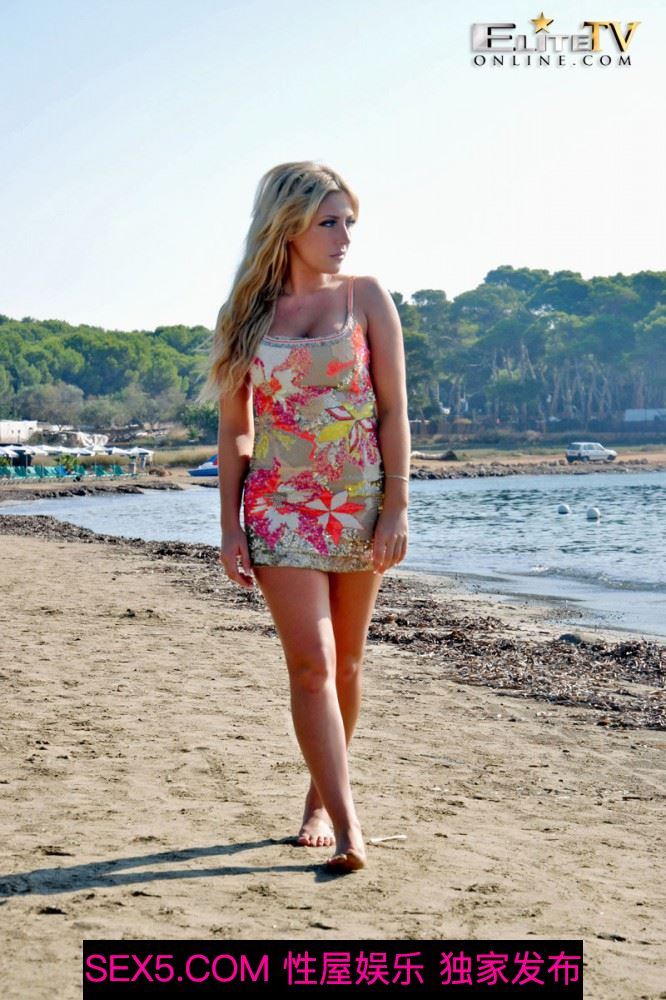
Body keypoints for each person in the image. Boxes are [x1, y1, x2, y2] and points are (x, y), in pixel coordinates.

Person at [198, 161, 410, 873]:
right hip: (280, 507)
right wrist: (230, 526)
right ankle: (350, 827)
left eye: (349, 221)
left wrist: (397, 507)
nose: (344, 236)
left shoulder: (367, 298)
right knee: (312, 664)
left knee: (347, 663)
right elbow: (236, 430)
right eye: (329, 222)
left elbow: (393, 411)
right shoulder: (246, 316)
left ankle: (319, 800)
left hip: (358, 504)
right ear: (287, 227)